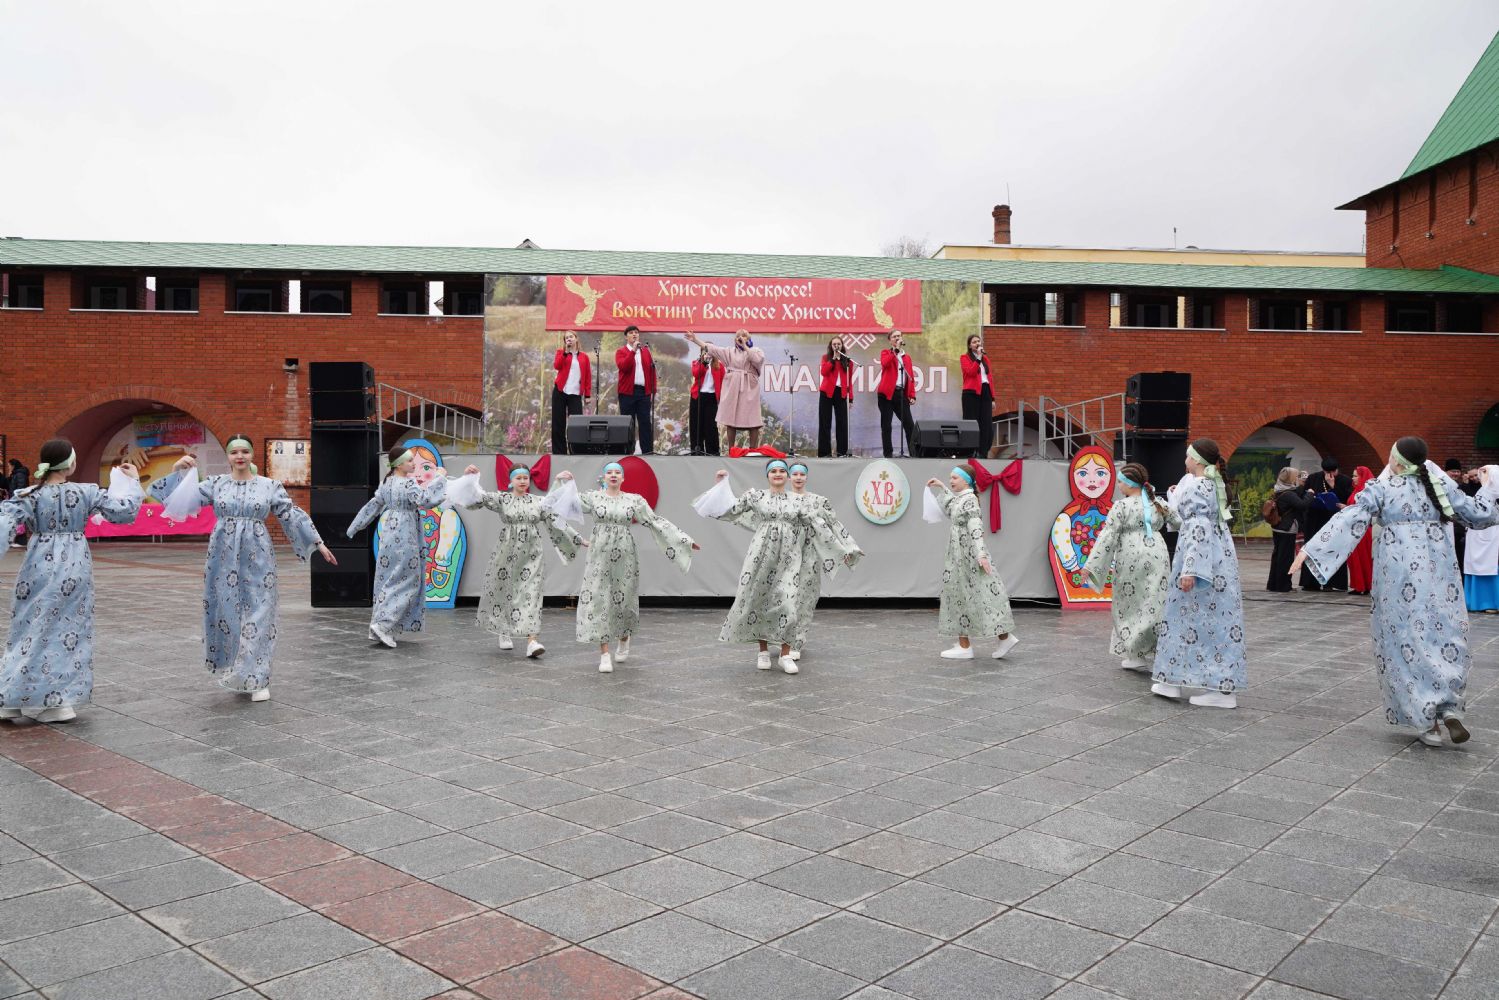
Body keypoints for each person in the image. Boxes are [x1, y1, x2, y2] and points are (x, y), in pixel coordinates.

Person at [1291, 438, 1499, 746]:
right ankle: (1449, 705)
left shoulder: (1383, 488)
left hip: (1398, 577)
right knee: (1443, 633)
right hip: (1440, 573)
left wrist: (1311, 550)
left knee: (1406, 639)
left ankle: (1427, 720)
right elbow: (1479, 514)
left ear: (1397, 461)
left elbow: (1352, 517)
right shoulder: (1440, 486)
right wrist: (1491, 484)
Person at [151, 437, 336, 703]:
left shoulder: (269, 486)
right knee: (227, 611)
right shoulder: (216, 484)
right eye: (234, 452)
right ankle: (237, 667)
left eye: (245, 451)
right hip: (222, 557)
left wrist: (317, 543)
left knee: (260, 612)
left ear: (252, 455)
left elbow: (291, 514)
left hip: (259, 556)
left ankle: (257, 677)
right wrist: (177, 470)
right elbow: (180, 501)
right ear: (228, 456)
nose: (240, 456)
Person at [0, 439, 142, 723]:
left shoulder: (28, 494)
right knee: (67, 630)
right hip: (73, 567)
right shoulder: (86, 492)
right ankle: (56, 701)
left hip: (37, 567)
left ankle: (11, 696)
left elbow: (5, 523)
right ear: (70, 464)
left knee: (28, 628)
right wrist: (134, 481)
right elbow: (125, 512)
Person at [698, 461, 859, 674]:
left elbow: (819, 526)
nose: (778, 474)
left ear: (787, 476)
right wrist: (721, 484)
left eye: (782, 471)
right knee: (760, 599)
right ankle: (763, 652)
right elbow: (730, 509)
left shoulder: (798, 501)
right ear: (767, 475)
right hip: (761, 555)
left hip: (790, 557)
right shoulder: (756, 497)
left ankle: (785, 654)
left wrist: (842, 550)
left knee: (789, 602)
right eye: (773, 471)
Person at [563, 462, 697, 673]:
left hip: (625, 553)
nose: (613, 475)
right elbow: (565, 503)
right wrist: (565, 483)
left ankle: (624, 637)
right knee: (598, 598)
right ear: (604, 477)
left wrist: (683, 540)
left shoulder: (634, 500)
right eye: (609, 472)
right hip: (599, 554)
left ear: (623, 478)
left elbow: (654, 521)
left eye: (617, 472)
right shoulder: (593, 498)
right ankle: (604, 654)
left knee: (623, 598)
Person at [346, 445, 477, 648]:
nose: (413, 464)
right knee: (409, 581)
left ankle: (381, 626)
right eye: (409, 461)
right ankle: (384, 625)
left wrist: (354, 527)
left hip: (389, 536)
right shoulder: (408, 484)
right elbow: (426, 500)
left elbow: (372, 506)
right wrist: (439, 478)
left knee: (389, 580)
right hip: (406, 536)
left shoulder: (386, 483)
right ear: (399, 465)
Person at [1153, 438, 1247, 709]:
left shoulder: (1199, 486)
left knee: (1188, 617)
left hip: (1202, 562)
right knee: (1207, 620)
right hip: (1218, 560)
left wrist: (1191, 569)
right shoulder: (1212, 484)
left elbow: (1198, 529)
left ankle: (1217, 689)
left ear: (1196, 459)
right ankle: (1175, 679)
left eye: (1188, 456)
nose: (1185, 460)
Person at [458, 465, 585, 658]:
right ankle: (503, 630)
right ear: (511, 480)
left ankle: (532, 641)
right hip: (506, 552)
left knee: (532, 593)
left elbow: (554, 516)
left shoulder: (537, 501)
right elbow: (478, 497)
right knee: (505, 590)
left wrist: (577, 539)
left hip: (532, 554)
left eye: (526, 477)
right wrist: (470, 478)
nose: (523, 481)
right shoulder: (502, 499)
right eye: (518, 478)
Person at [1079, 462, 1173, 672]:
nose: (1119, 486)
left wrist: (1090, 566)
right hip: (1157, 554)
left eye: (1120, 482)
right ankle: (1159, 650)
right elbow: (1177, 520)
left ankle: (1135, 653)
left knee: (1129, 602)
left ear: (1130, 484)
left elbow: (1107, 537)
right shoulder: (1157, 503)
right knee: (1155, 599)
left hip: (1131, 558)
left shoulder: (1121, 506)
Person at [924, 467, 1019, 660]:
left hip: (966, 556)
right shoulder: (963, 499)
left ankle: (976, 643)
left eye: (954, 478)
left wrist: (981, 554)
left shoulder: (969, 500)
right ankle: (973, 642)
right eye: (950, 478)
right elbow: (951, 507)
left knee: (971, 594)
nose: (951, 480)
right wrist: (941, 487)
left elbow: (976, 527)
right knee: (964, 594)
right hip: (959, 555)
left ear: (966, 480)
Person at [788, 462, 862, 659]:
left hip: (810, 553)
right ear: (789, 477)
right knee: (784, 595)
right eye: (794, 474)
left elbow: (833, 525)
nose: (798, 477)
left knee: (806, 596)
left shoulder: (819, 501)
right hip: (785, 553)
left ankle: (797, 640)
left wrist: (848, 547)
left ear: (806, 477)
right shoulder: (781, 499)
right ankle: (782, 638)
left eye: (802, 474)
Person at [685, 329, 765, 451]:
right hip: (733, 387)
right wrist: (695, 340)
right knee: (730, 418)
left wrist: (745, 346)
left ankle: (753, 450)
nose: (741, 338)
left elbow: (758, 360)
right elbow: (712, 348)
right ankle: (732, 449)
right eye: (738, 336)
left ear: (749, 338)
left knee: (753, 419)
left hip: (749, 387)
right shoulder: (729, 352)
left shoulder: (756, 351)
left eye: (744, 336)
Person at [1299, 456, 1352, 591]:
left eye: (1333, 471)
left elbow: (1347, 500)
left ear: (1337, 469)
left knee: (1333, 551)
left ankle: (1332, 583)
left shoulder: (1345, 480)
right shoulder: (1313, 478)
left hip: (1335, 522)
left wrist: (1333, 486)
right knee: (1313, 550)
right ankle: (1311, 582)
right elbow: (1305, 497)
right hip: (1315, 520)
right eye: (1327, 472)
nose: (1330, 475)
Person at [1267, 467, 1313, 592]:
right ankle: (1283, 586)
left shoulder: (1279, 489)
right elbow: (1302, 504)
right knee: (1285, 559)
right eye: (1296, 476)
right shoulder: (1289, 494)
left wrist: (1302, 486)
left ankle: (1273, 584)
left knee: (1277, 556)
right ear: (1290, 479)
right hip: (1287, 529)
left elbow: (1296, 493)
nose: (1297, 478)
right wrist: (1310, 494)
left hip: (1278, 527)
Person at [1463, 465, 1499, 613]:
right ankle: (1476, 601)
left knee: (1489, 565)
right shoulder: (1482, 490)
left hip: (1491, 534)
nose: (1480, 476)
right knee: (1475, 564)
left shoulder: (1492, 492)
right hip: (1477, 534)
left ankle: (1491, 601)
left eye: (1485, 473)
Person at [615, 326, 656, 454]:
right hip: (627, 393)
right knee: (628, 423)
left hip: (643, 393)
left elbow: (652, 371)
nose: (634, 335)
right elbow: (624, 367)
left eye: (636, 333)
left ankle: (647, 452)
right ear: (626, 336)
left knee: (645, 423)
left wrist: (653, 389)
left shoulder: (646, 351)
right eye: (631, 333)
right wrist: (632, 351)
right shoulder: (621, 351)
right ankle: (628, 451)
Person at [877, 330, 917, 458]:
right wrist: (895, 351)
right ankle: (888, 454)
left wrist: (912, 394)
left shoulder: (907, 357)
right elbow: (885, 363)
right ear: (890, 341)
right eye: (894, 337)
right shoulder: (886, 353)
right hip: (886, 394)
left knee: (909, 425)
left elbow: (910, 376)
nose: (897, 338)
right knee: (886, 425)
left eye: (899, 336)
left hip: (901, 394)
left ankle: (914, 453)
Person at [551, 331, 591, 454]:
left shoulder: (584, 357)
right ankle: (559, 452)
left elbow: (588, 376)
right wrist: (565, 353)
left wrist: (587, 395)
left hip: (575, 394)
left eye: (571, 337)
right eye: (566, 338)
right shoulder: (561, 352)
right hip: (560, 392)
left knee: (576, 425)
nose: (569, 339)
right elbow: (557, 366)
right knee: (558, 424)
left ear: (576, 339)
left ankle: (576, 451)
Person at [959, 335, 994, 459]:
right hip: (971, 393)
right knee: (972, 423)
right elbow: (971, 372)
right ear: (970, 346)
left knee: (986, 424)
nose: (977, 343)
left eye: (978, 341)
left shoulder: (986, 359)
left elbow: (990, 379)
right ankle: (970, 452)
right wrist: (978, 358)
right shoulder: (964, 358)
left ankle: (983, 453)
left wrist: (993, 398)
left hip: (985, 392)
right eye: (974, 342)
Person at [818, 336, 854, 458]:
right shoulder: (826, 358)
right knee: (825, 423)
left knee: (842, 424)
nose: (837, 346)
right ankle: (824, 453)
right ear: (831, 346)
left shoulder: (848, 361)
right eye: (834, 344)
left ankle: (842, 452)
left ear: (842, 346)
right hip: (826, 393)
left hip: (841, 393)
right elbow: (824, 372)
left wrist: (851, 398)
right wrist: (833, 360)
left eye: (839, 344)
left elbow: (849, 381)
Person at [689, 344, 724, 455]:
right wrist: (704, 363)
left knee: (711, 426)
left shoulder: (719, 365)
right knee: (696, 425)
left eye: (710, 352)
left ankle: (713, 452)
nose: (708, 354)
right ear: (701, 353)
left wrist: (721, 399)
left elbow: (723, 382)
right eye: (705, 352)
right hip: (698, 397)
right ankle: (697, 451)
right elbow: (696, 373)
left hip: (712, 397)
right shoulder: (696, 363)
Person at [1346, 465, 1376, 595]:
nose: (1353, 478)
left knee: (1362, 558)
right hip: (1355, 529)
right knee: (1357, 558)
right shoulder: (1357, 490)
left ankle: (1364, 586)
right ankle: (1361, 585)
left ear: (1362, 477)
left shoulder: (1366, 491)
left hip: (1362, 530)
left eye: (1355, 476)